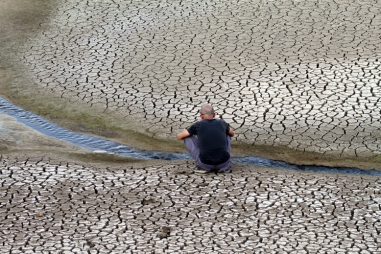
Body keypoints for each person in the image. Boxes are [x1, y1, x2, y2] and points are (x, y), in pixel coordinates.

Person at [177, 104, 234, 173]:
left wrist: (184, 132)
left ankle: (202, 168)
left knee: (187, 136)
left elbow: (180, 137)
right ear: (214, 114)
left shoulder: (198, 125)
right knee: (228, 134)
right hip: (224, 164)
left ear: (201, 116)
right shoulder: (222, 123)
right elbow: (232, 134)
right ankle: (223, 167)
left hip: (205, 164)